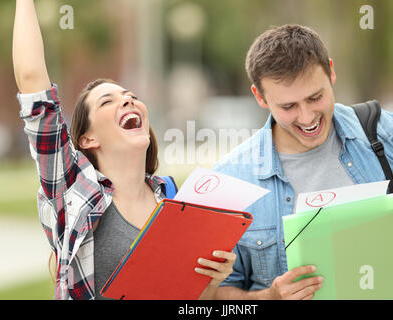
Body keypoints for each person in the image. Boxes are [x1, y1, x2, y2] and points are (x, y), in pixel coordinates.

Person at [13, 0, 235, 300]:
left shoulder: (170, 196)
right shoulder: (71, 187)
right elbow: (32, 84)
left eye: (131, 96)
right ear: (88, 139)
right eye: (107, 102)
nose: (128, 101)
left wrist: (210, 281)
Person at [212, 24, 393, 300]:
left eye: (315, 97)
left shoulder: (384, 133)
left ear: (331, 71)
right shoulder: (231, 181)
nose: (307, 117)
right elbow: (214, 294)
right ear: (259, 97)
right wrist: (270, 297)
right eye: (289, 107)